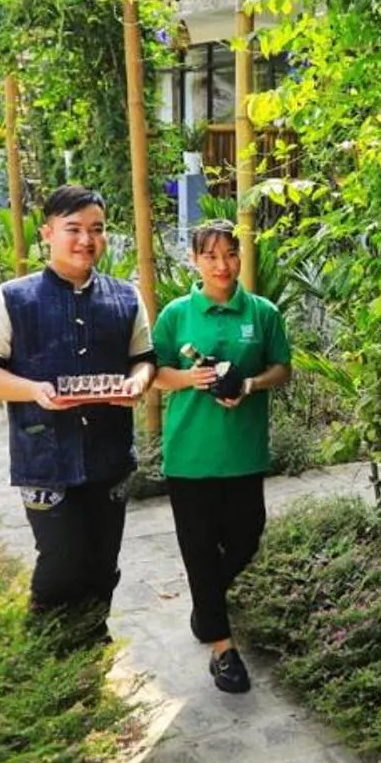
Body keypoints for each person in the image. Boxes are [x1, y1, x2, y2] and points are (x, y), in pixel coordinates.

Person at [0, 185, 155, 647]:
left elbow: (144, 359)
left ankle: (92, 637)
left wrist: (137, 383)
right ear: (47, 233)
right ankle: (44, 640)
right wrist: (33, 391)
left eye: (96, 229)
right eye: (73, 229)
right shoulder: (12, 298)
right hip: (44, 456)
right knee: (61, 557)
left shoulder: (125, 297)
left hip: (109, 454)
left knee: (103, 561)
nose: (86, 240)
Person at [151, 221, 292, 693]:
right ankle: (222, 650)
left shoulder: (263, 312)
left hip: (244, 453)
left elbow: (282, 368)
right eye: (210, 256)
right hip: (189, 454)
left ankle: (205, 601)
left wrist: (249, 383)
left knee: (246, 537)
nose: (222, 265)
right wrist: (190, 379)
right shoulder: (176, 314)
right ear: (194, 261)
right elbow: (156, 372)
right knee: (198, 549)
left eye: (230, 254)